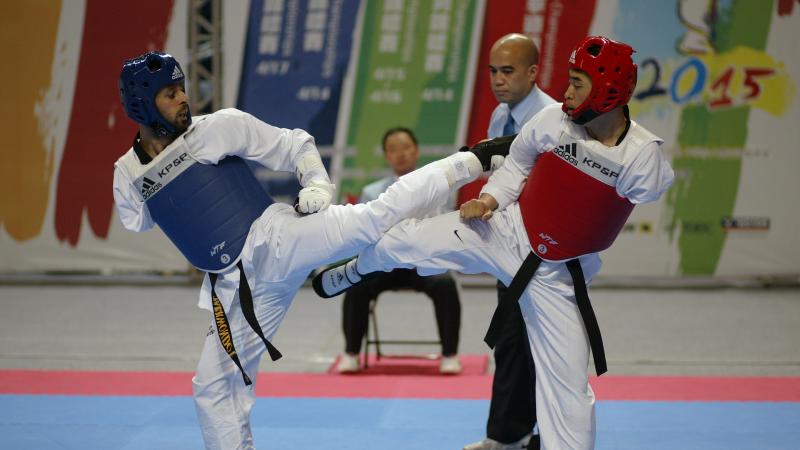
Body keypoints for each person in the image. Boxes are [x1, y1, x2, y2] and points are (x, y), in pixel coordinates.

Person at [112, 51, 509, 449]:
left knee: (375, 218)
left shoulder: (218, 128)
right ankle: (359, 268)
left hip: (278, 240)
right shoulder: (127, 175)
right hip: (237, 288)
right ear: (143, 104)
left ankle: (474, 159)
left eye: (183, 89)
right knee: (214, 387)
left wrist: (316, 184)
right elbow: (140, 221)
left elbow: (294, 144)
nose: (184, 98)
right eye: (170, 94)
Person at [314, 36, 675, 450]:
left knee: (569, 391)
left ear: (609, 89)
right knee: (407, 238)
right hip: (505, 232)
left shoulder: (642, 156)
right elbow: (518, 164)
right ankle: (357, 269)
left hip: (557, 277)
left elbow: (646, 189)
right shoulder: (552, 122)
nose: (568, 91)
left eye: (578, 82)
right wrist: (487, 199)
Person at [465, 33, 557, 450]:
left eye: (508, 71)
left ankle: (546, 437)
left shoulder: (555, 119)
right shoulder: (501, 118)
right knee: (510, 340)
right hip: (511, 245)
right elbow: (499, 182)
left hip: (548, 249)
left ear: (533, 72)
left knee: (546, 347)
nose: (498, 80)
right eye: (492, 71)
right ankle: (508, 435)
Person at [337, 127, 463, 374]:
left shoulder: (437, 186)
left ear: (416, 151)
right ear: (386, 156)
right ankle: (351, 352)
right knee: (357, 284)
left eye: (405, 147)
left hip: (423, 263)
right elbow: (365, 236)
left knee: (446, 284)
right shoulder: (372, 193)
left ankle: (450, 354)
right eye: (393, 150)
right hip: (385, 264)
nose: (400, 154)